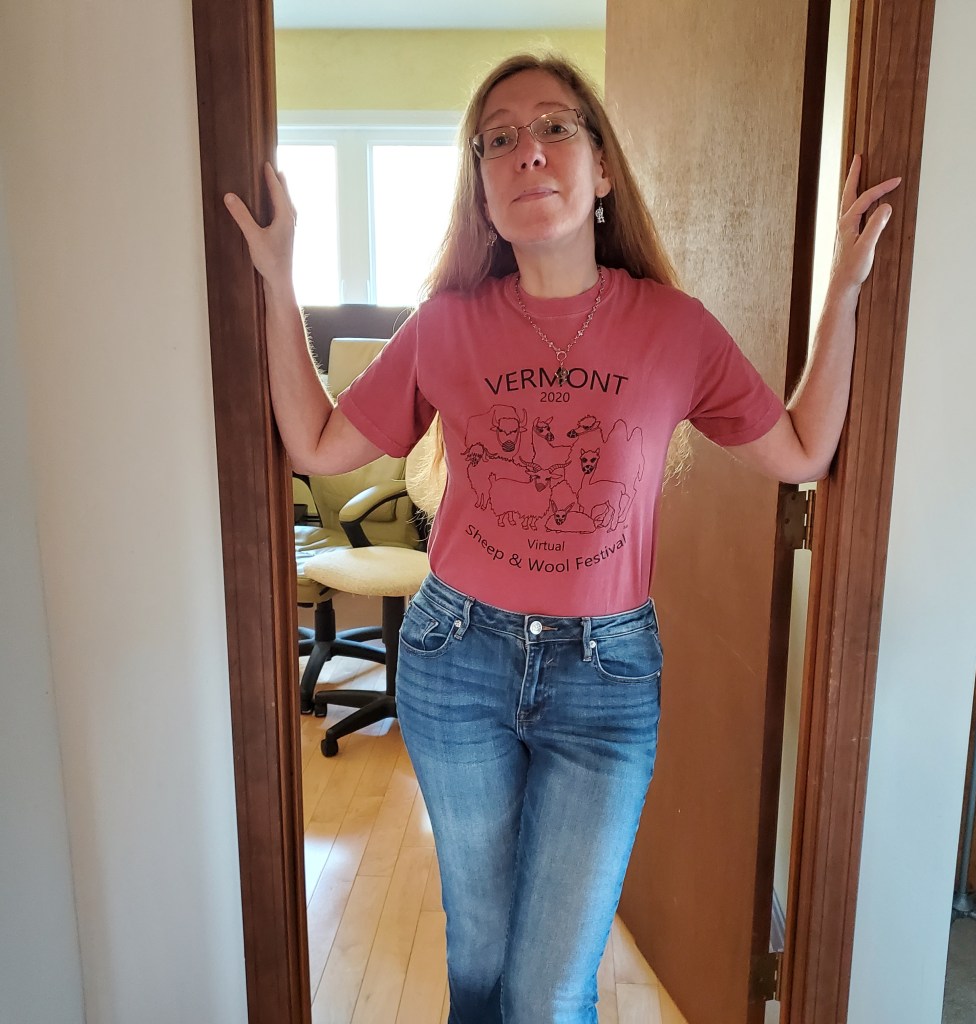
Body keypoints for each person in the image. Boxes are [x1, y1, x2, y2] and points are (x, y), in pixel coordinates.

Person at [225, 52, 899, 1024]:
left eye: (553, 127)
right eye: (497, 139)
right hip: (457, 659)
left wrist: (843, 288)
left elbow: (799, 451)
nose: (526, 151)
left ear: (603, 168)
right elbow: (319, 445)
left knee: (547, 989)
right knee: (480, 961)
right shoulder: (445, 325)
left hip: (605, 678)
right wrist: (277, 278)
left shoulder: (674, 328)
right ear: (482, 188)